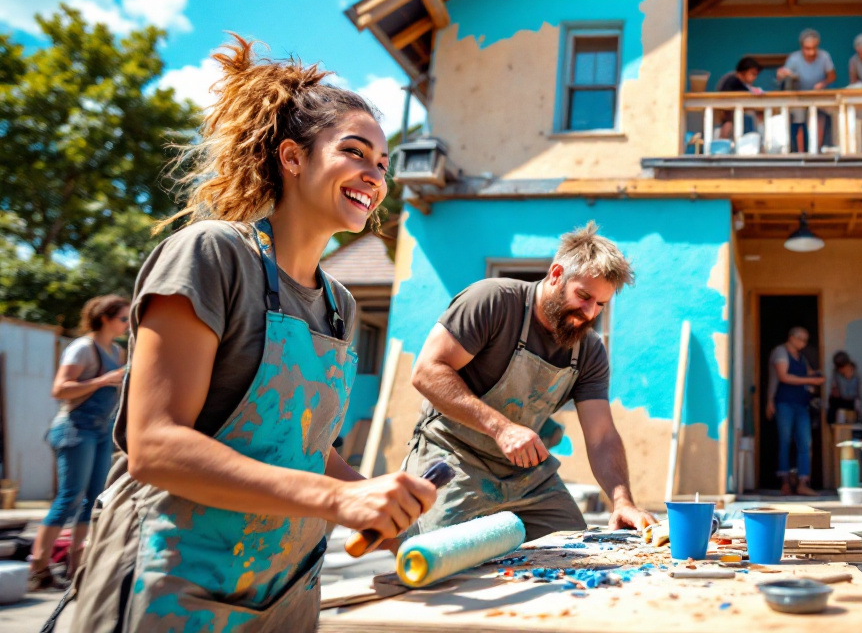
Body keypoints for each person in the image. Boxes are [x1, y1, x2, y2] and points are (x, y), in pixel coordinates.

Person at [66, 37, 436, 632]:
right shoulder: (212, 256)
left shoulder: (339, 305)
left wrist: (385, 509)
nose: (374, 175)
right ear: (292, 158)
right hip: (174, 587)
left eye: (382, 164)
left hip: (286, 592)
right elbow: (155, 444)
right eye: (355, 152)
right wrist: (337, 500)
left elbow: (305, 451)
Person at [406, 223, 656, 541]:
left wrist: (623, 502)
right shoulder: (493, 301)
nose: (590, 313)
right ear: (555, 275)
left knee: (577, 550)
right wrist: (501, 428)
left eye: (601, 305)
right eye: (583, 296)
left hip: (524, 472)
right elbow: (427, 370)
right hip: (453, 456)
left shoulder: (589, 351)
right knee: (444, 560)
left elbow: (602, 436)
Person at [27, 295, 129, 591]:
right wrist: (101, 380)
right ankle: (39, 568)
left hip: (100, 431)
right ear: (104, 318)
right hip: (74, 429)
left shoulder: (118, 351)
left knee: (93, 500)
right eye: (123, 318)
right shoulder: (83, 348)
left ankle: (77, 569)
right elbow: (59, 390)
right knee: (69, 498)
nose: (126, 324)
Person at [766, 327, 825, 495]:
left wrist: (816, 376)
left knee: (805, 443)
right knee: (785, 441)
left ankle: (803, 482)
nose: (803, 343)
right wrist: (812, 380)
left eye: (806, 340)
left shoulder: (802, 357)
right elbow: (784, 376)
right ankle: (785, 482)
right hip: (784, 402)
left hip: (801, 404)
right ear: (791, 337)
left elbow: (808, 373)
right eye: (801, 339)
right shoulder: (780, 352)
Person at [776, 28, 836, 151]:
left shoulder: (824, 56)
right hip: (799, 96)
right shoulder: (794, 58)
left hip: (818, 95)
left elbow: (832, 75)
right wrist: (782, 74)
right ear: (802, 47)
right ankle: (801, 152)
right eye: (807, 49)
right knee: (799, 121)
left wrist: (823, 83)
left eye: (814, 48)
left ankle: (817, 150)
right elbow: (782, 76)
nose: (811, 52)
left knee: (820, 118)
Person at [714, 57, 764, 140]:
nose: (754, 78)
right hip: (727, 115)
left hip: (738, 115)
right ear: (744, 72)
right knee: (728, 125)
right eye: (752, 74)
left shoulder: (744, 84)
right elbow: (725, 97)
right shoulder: (731, 80)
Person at [827, 351, 862, 423]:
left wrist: (858, 407)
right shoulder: (836, 374)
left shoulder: (856, 375)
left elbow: (858, 393)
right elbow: (834, 390)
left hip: (851, 402)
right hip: (839, 402)